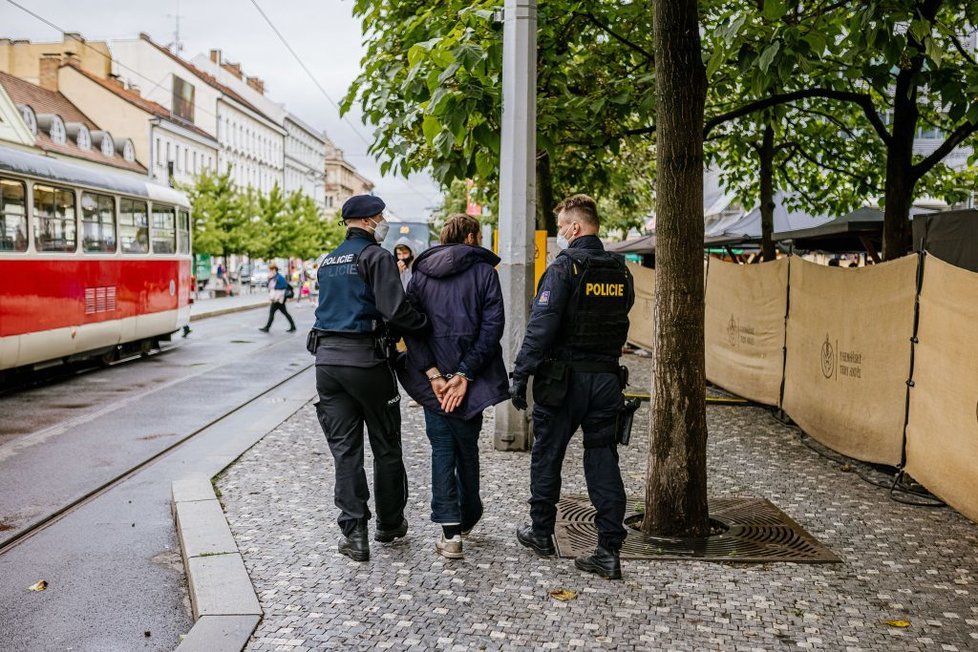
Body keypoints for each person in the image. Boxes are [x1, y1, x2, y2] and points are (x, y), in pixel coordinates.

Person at [509, 194, 635, 580]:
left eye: (562, 226)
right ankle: (608, 550)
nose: (560, 232)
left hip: (564, 382)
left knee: (548, 455)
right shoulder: (620, 269)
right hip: (606, 381)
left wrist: (521, 373)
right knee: (602, 460)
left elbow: (542, 325)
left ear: (575, 228)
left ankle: (542, 533)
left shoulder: (565, 267)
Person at [309, 194, 429, 562]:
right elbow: (394, 309)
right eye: (380, 217)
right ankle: (390, 524)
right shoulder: (377, 257)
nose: (383, 223)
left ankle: (354, 534)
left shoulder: (328, 261)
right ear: (366, 220)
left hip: (327, 364)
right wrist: (425, 324)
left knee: (345, 451)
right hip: (367, 362)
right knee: (386, 444)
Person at [398, 214, 508, 560]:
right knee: (467, 447)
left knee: (442, 450)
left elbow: (411, 328)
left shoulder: (420, 275)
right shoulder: (485, 273)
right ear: (473, 237)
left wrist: (434, 374)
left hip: (433, 382)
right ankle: (470, 513)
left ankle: (450, 535)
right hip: (469, 380)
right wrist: (464, 374)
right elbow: (492, 328)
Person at [259, 263, 296, 332]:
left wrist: (275, 287)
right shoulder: (274, 277)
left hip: (279, 299)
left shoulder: (279, 277)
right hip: (277, 298)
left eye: (271, 270)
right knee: (283, 312)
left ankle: (267, 328)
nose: (270, 271)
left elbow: (284, 286)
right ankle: (293, 326)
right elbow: (269, 286)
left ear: (274, 270)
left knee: (273, 312)